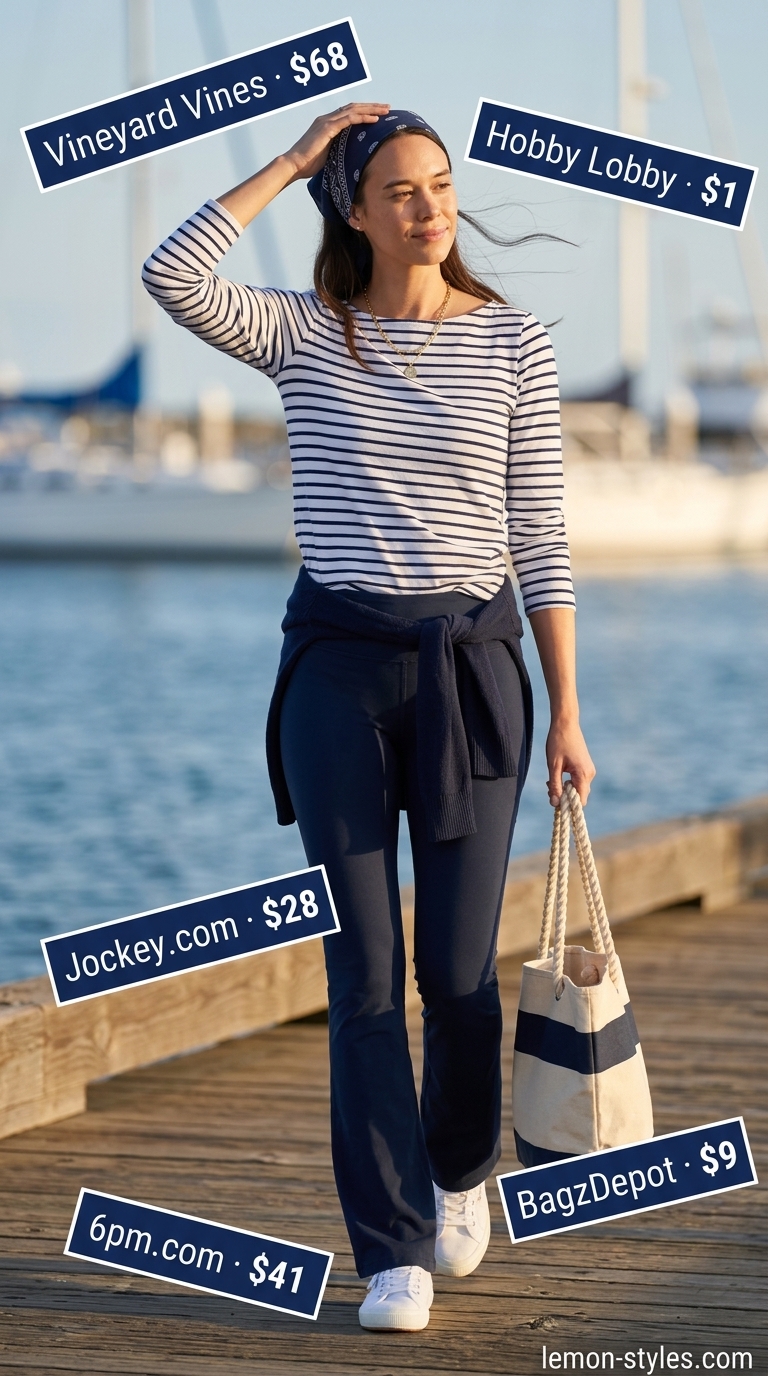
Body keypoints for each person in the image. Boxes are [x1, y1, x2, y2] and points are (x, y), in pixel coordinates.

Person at [143, 101, 595, 1332]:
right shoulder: (305, 333)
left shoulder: (515, 342)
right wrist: (291, 157)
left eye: (440, 184)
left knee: (455, 972)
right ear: (354, 209)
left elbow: (542, 540)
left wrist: (567, 712)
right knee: (362, 979)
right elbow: (172, 271)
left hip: (476, 672)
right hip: (338, 674)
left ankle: (458, 1173)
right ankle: (389, 1247)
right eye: (399, 189)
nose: (430, 206)